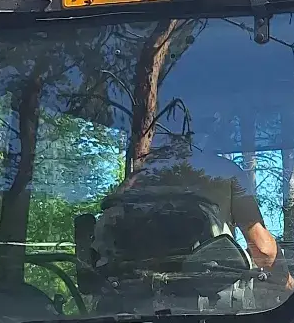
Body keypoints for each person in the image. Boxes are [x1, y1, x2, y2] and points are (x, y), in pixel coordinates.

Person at [101, 115, 280, 273]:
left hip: (133, 299)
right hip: (212, 298)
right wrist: (288, 282)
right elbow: (262, 249)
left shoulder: (140, 176)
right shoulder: (227, 173)